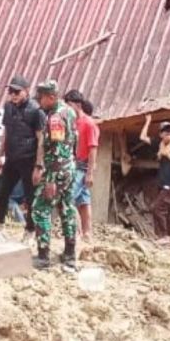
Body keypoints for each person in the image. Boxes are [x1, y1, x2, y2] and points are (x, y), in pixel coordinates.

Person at [30, 81, 78, 271]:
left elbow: (57, 149)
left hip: (57, 169)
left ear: (51, 97)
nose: (39, 102)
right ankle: (70, 254)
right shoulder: (70, 111)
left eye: (41, 98)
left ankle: (43, 256)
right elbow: (74, 139)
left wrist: (49, 179)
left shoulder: (56, 117)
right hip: (70, 167)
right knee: (67, 208)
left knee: (40, 209)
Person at [0, 76, 44, 243]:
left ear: (26, 91)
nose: (13, 95)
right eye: (10, 91)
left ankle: (30, 231)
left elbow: (41, 139)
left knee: (30, 197)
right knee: (2, 192)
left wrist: (39, 164)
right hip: (12, 157)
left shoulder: (35, 110)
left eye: (16, 91)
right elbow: (6, 131)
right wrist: (0, 155)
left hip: (28, 158)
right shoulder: (8, 107)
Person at [140, 116, 170, 242]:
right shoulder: (160, 144)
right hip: (162, 183)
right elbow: (143, 137)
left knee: (156, 208)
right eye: (166, 131)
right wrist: (148, 121)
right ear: (161, 134)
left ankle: (163, 236)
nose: (169, 133)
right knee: (168, 210)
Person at [64, 90, 100, 240]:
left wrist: (90, 172)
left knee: (68, 197)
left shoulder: (88, 123)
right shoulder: (72, 122)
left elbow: (93, 149)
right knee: (84, 201)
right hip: (74, 163)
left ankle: (77, 232)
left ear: (77, 105)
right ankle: (87, 233)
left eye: (68, 105)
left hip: (82, 166)